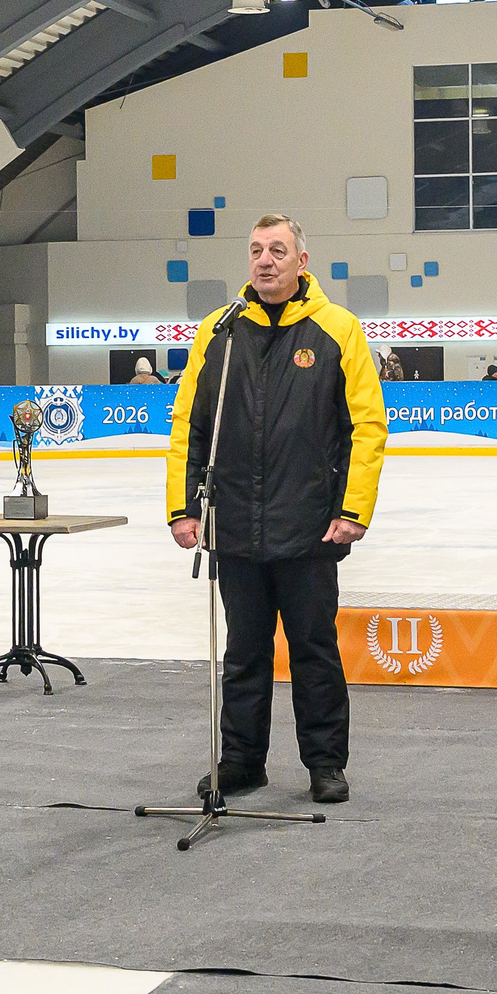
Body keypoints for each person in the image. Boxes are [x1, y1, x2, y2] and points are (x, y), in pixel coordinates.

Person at [167, 214, 386, 808]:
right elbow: (190, 424)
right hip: (234, 523)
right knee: (244, 652)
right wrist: (183, 508)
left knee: (314, 650)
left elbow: (366, 426)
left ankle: (325, 764)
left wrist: (354, 508)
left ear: (301, 262)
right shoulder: (219, 332)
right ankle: (241, 763)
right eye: (257, 251)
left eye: (278, 250)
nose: (265, 260)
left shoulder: (337, 329)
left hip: (309, 524)